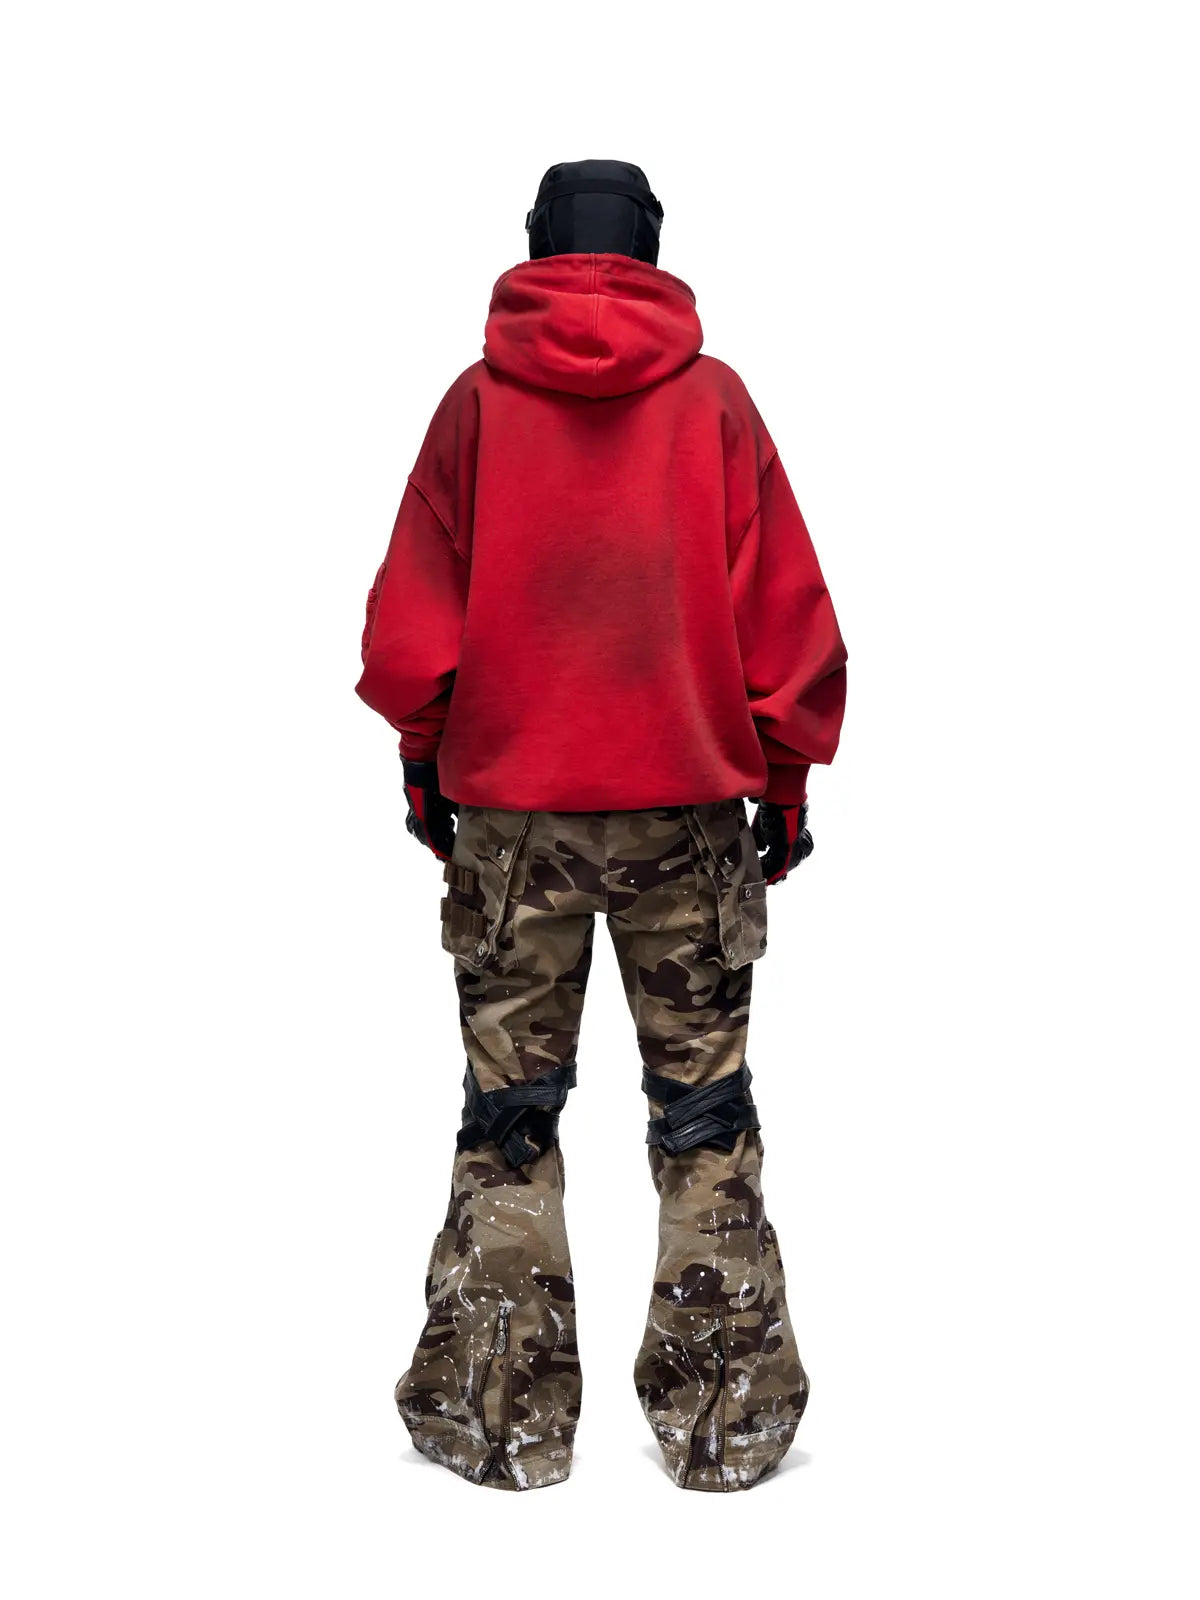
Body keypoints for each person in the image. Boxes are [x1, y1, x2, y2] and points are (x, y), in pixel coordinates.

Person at [355, 159, 848, 1492]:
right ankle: (727, 1427)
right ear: (651, 250)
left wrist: (425, 761)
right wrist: (786, 780)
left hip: (514, 824)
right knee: (705, 1112)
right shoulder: (714, 403)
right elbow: (788, 611)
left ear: (536, 246)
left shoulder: (476, 407)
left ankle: (497, 1421)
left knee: (508, 1115)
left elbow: (413, 621)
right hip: (687, 816)